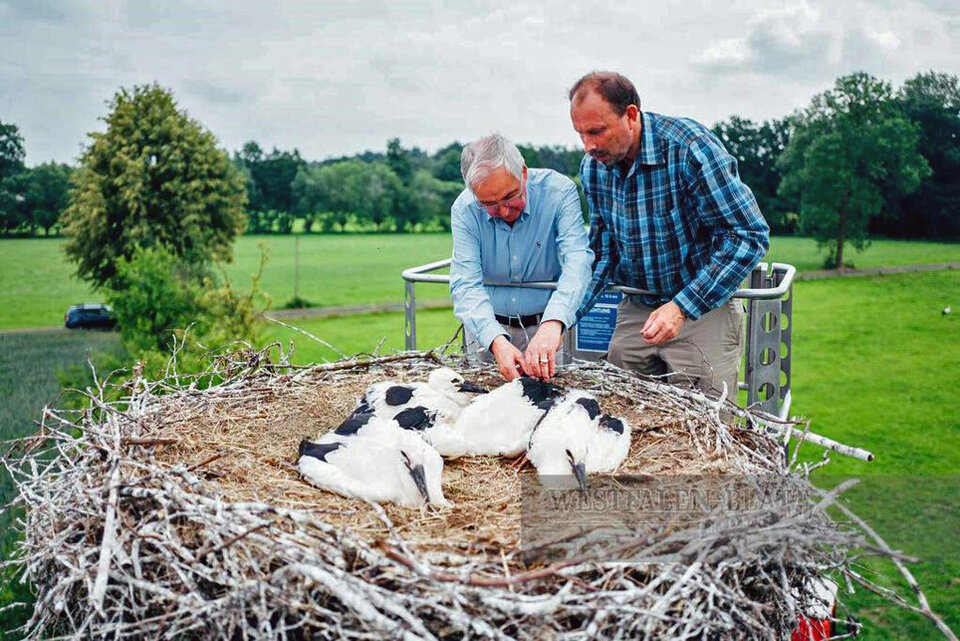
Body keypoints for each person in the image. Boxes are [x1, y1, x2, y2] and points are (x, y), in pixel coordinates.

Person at [568, 71, 769, 398]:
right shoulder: (594, 168)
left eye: (597, 131)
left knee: (705, 425)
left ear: (630, 115)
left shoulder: (690, 148)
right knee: (621, 412)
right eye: (580, 134)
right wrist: (559, 321)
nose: (589, 145)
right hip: (638, 306)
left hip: (703, 308)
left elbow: (748, 235)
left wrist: (681, 307)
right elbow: (603, 255)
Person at [449, 133, 593, 381]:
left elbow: (578, 261)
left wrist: (553, 323)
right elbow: (465, 283)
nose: (504, 211)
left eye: (510, 196)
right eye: (489, 204)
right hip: (487, 331)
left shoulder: (559, 192)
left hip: (546, 326)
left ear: (523, 174)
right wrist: (495, 341)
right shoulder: (464, 209)